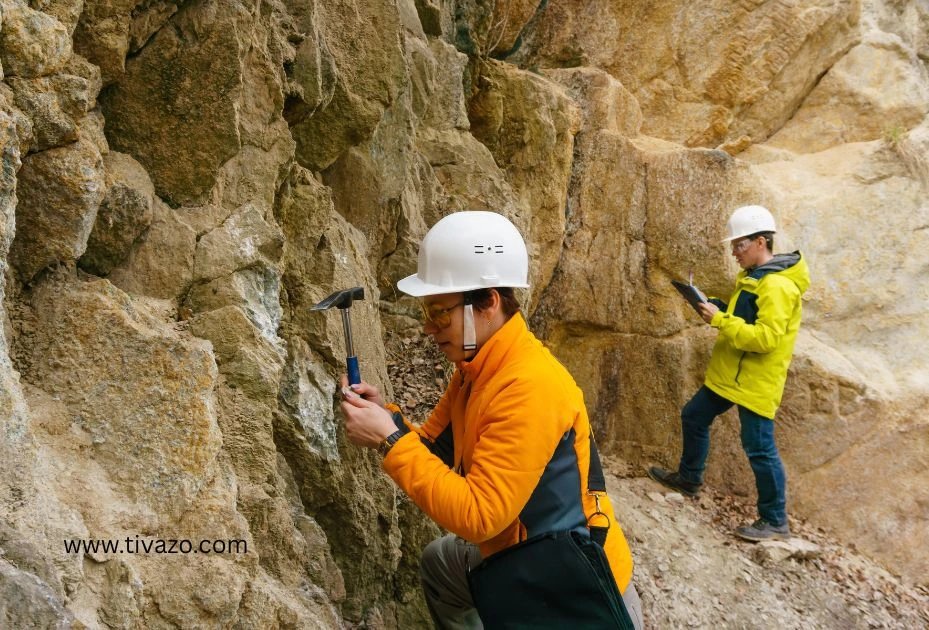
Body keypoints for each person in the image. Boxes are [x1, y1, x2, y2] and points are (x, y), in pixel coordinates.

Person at [340, 211, 643, 629]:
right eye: (428, 311)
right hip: (523, 557)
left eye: (440, 311)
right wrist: (386, 419)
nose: (430, 327)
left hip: (575, 590)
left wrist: (390, 441)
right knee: (441, 564)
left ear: (489, 303)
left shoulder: (529, 386)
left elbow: (481, 517)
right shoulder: (477, 370)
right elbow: (433, 452)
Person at [649, 204, 810, 542]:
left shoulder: (777, 286)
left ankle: (775, 520)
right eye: (734, 245)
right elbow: (747, 318)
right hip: (730, 376)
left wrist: (720, 320)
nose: (734, 252)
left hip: (754, 382)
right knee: (694, 416)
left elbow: (766, 339)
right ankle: (689, 479)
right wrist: (717, 307)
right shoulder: (755, 277)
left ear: (761, 242)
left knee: (759, 448)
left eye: (740, 245)